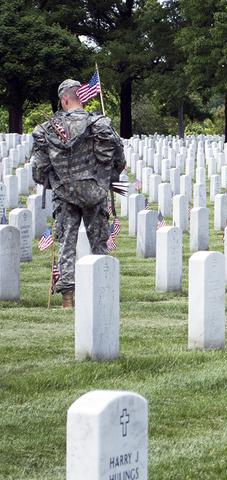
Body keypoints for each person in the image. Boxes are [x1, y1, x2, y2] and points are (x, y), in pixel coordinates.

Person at [31, 79, 125, 309]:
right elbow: (119, 159)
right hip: (96, 191)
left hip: (64, 192)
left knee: (66, 244)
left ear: (64, 99)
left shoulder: (46, 129)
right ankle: (103, 292)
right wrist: (104, 181)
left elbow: (39, 169)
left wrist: (54, 182)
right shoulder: (100, 124)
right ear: (79, 97)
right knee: (99, 243)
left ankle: (67, 299)